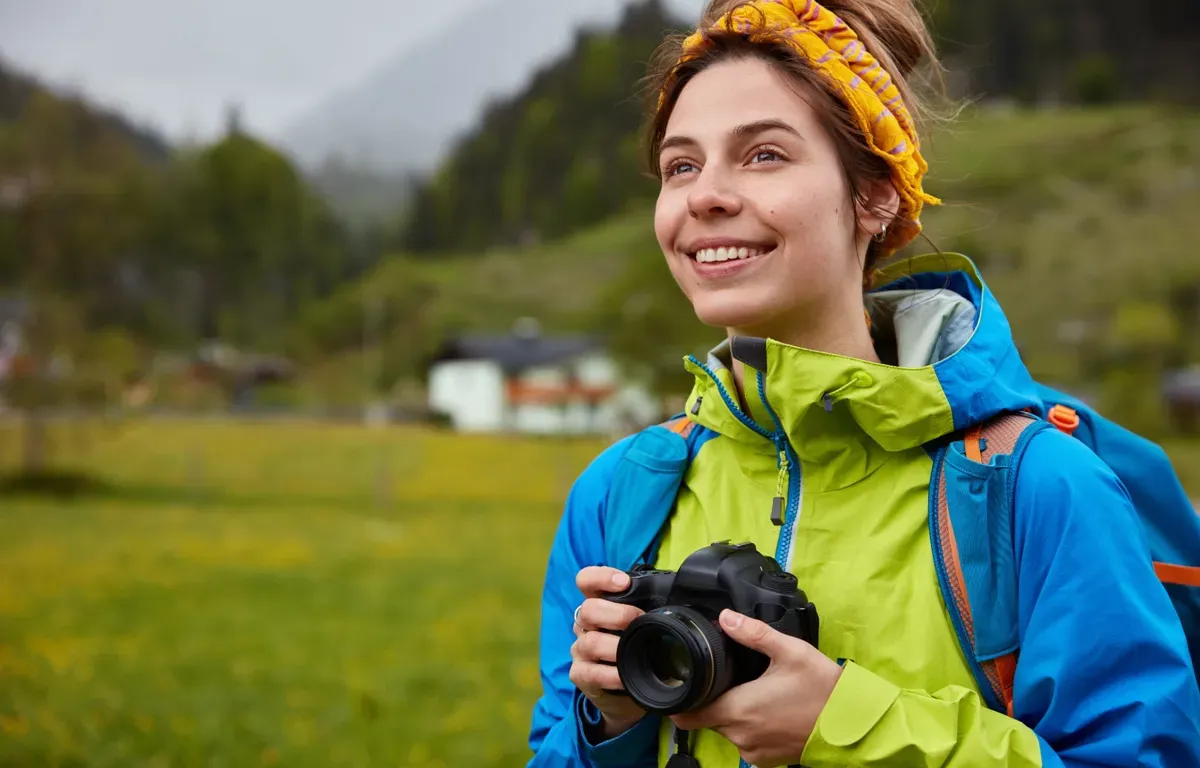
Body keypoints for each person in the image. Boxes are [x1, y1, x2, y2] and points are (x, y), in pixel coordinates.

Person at [527, 0, 1200, 766]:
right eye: (682, 166)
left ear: (877, 194)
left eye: (763, 155)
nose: (705, 195)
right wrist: (610, 724)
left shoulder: (1033, 488)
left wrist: (849, 729)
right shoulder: (621, 494)